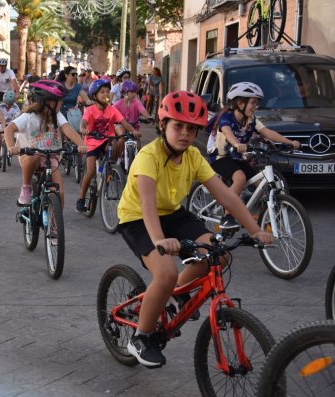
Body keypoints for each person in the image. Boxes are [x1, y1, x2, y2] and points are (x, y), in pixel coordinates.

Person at [116, 90, 274, 368]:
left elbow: (227, 196)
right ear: (163, 125)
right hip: (138, 217)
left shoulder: (193, 156)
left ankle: (173, 296)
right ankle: (140, 337)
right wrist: (160, 241)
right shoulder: (147, 156)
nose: (185, 133)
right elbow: (148, 204)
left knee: (219, 254)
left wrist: (255, 230)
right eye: (178, 126)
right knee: (165, 273)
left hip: (173, 214)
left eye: (192, 128)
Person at [208, 82, 300, 228]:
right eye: (253, 103)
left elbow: (267, 132)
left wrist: (288, 142)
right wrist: (236, 143)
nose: (256, 107)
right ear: (240, 103)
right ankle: (228, 216)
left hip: (237, 157)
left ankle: (266, 216)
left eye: (257, 103)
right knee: (240, 177)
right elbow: (227, 132)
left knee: (261, 184)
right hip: (220, 157)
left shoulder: (251, 120)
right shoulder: (226, 117)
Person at [4, 80, 86, 207]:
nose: (62, 103)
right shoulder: (29, 116)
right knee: (35, 155)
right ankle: (26, 187)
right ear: (49, 102)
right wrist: (11, 146)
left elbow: (67, 129)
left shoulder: (56, 115)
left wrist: (81, 144)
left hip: (50, 156)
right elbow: (9, 129)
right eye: (60, 100)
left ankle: (54, 224)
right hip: (30, 155)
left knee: (60, 194)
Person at [76, 79, 140, 213]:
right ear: (94, 96)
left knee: (117, 143)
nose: (106, 94)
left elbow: (124, 122)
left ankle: (111, 166)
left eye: (107, 91)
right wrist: (83, 129)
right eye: (102, 92)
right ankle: (81, 198)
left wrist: (132, 130)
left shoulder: (112, 110)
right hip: (92, 142)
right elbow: (83, 122)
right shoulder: (90, 110)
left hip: (106, 140)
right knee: (91, 171)